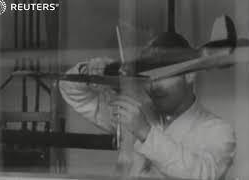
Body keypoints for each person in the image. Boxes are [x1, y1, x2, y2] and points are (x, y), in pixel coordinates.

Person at [59, 35, 236, 180]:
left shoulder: (218, 131)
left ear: (189, 75)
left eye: (164, 75)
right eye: (149, 77)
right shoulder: (136, 113)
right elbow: (72, 92)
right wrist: (88, 71)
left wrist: (145, 133)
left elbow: (203, 174)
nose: (153, 86)